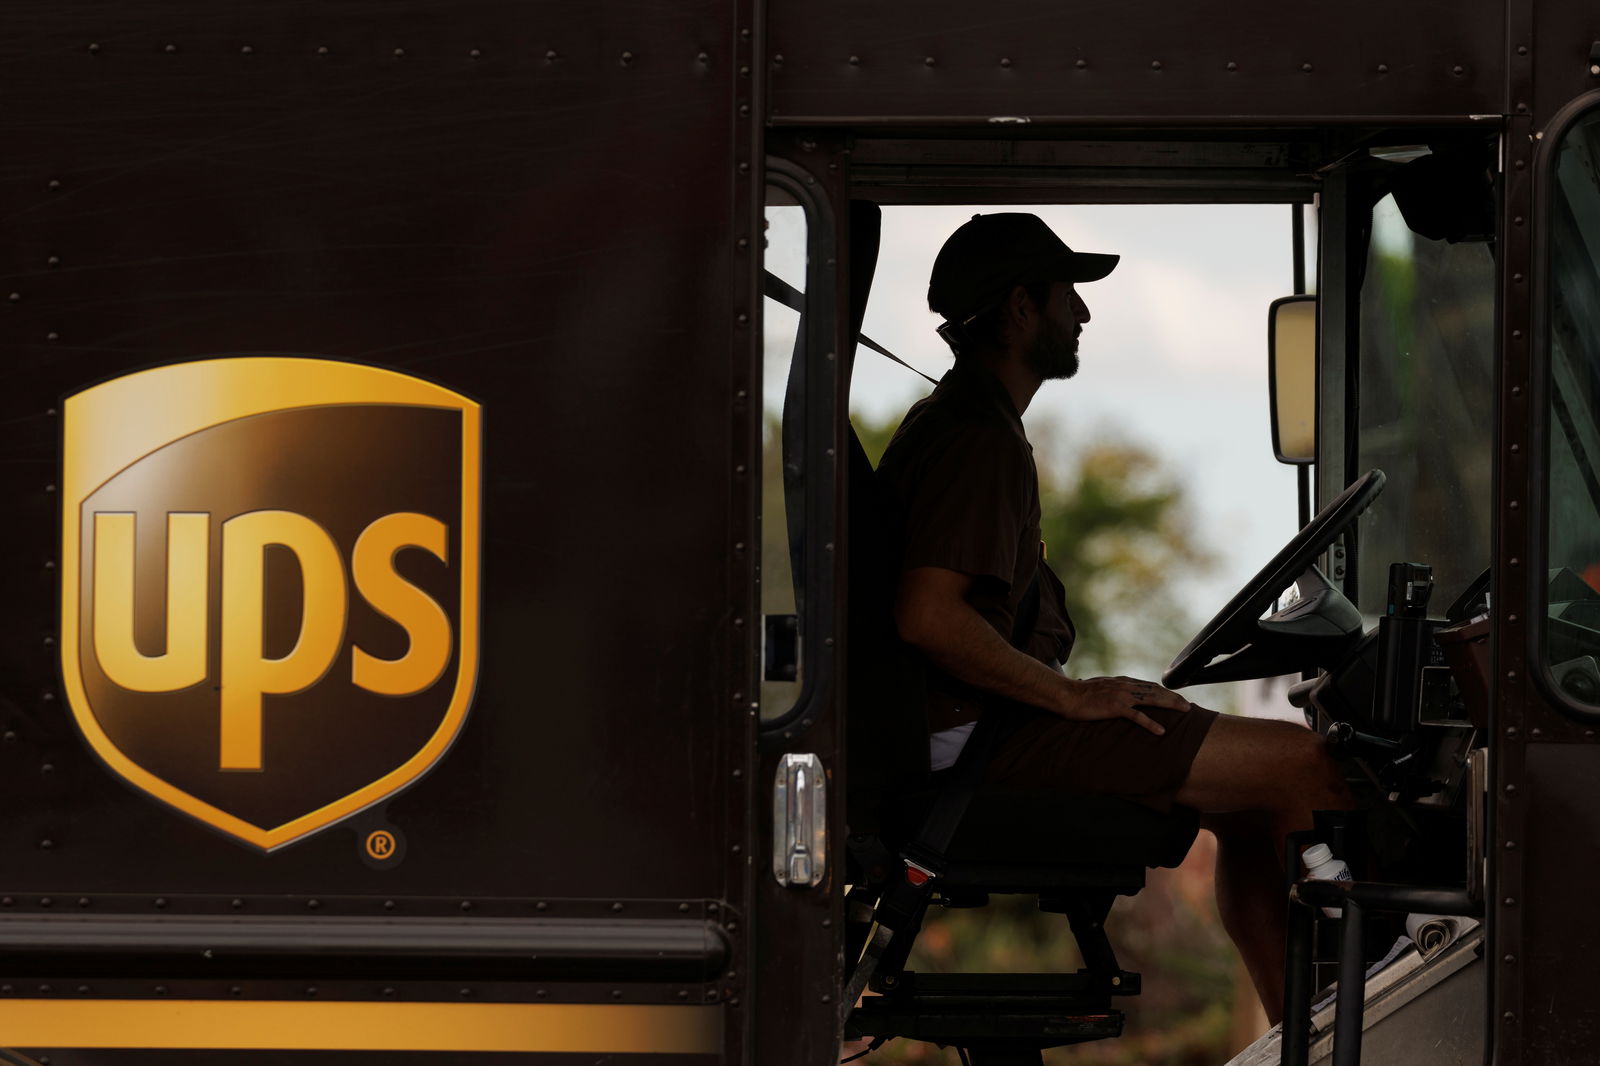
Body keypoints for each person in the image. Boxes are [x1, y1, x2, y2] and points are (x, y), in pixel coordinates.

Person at [874, 212, 1353, 1023]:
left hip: (974, 730)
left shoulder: (962, 423)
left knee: (1256, 805)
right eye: (1069, 297)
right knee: (1309, 766)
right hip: (979, 744)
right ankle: (1361, 1036)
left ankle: (1297, 1037)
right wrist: (1071, 696)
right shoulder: (975, 439)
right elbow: (926, 616)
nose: (1085, 316)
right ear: (1022, 307)